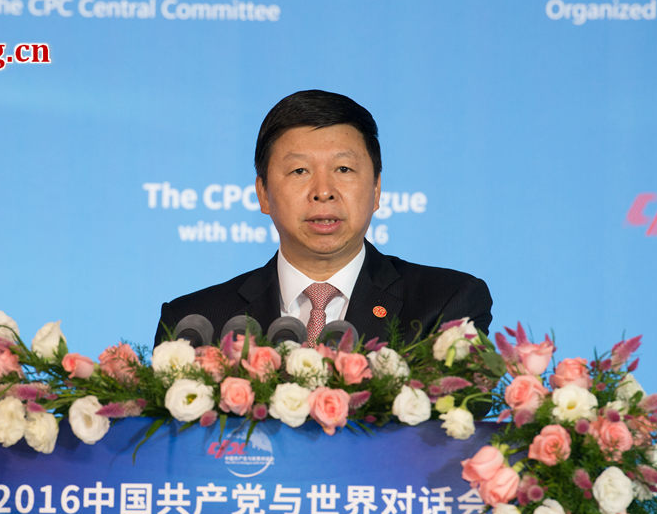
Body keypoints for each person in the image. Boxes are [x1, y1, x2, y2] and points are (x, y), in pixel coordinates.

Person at [156, 89, 491, 346]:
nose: (323, 191)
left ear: (376, 190)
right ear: (263, 194)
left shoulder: (445, 305)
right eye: (299, 170)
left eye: (343, 169)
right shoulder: (196, 323)